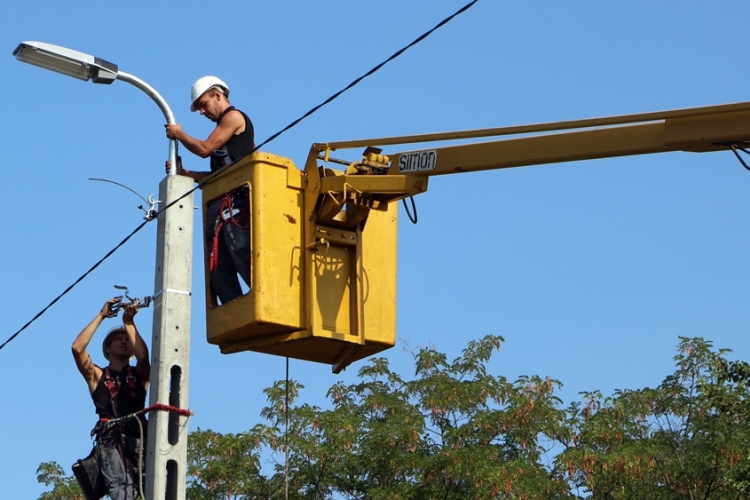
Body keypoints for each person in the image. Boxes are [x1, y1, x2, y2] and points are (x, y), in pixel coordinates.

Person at [165, 75, 256, 304]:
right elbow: (218, 175)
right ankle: (237, 312)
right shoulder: (224, 131)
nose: (202, 112)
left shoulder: (234, 117)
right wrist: (187, 174)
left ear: (217, 95)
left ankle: (260, 300)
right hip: (222, 206)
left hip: (236, 206)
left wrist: (179, 134)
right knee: (217, 268)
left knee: (240, 253)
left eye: (203, 105)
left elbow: (205, 149)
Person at [72, 297, 150, 500]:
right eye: (118, 339)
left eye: (127, 339)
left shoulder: (139, 375)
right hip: (113, 441)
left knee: (153, 484)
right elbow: (77, 348)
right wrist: (101, 316)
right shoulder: (98, 375)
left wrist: (129, 322)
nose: (124, 341)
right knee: (122, 489)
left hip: (140, 439)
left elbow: (143, 357)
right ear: (108, 348)